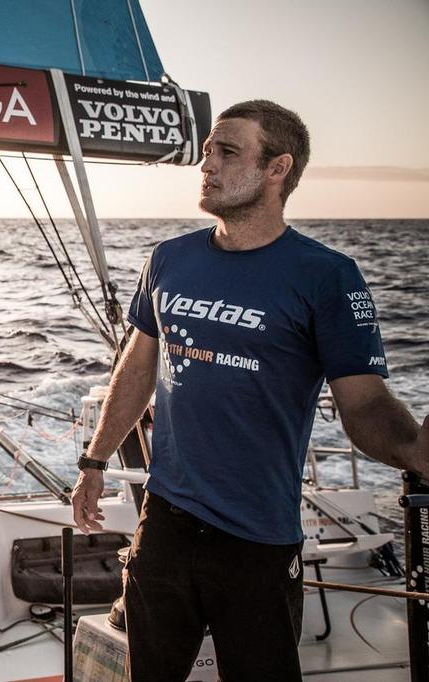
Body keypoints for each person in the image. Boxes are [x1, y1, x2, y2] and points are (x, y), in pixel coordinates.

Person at [70, 100, 429, 681]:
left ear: (277, 168)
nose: (205, 164)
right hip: (164, 520)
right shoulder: (169, 259)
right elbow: (136, 368)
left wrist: (411, 451)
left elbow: (364, 401)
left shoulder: (327, 276)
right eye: (207, 150)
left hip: (258, 536)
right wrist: (93, 459)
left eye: (226, 151)